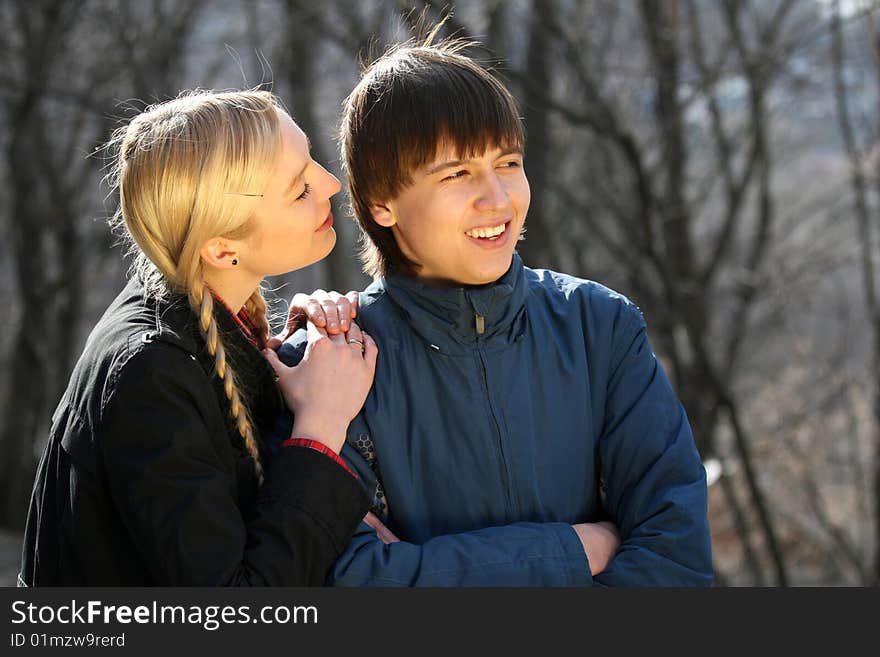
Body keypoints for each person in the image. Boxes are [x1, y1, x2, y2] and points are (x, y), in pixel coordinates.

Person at [275, 38, 713, 586]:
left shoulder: (600, 328)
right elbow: (347, 580)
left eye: (508, 163)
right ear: (381, 202)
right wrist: (576, 548)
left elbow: (676, 558)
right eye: (456, 174)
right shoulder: (327, 363)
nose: (498, 200)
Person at [18, 89, 380, 586]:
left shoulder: (202, 317)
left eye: (311, 161)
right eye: (299, 189)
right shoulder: (149, 375)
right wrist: (321, 426)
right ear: (221, 248)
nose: (332, 184)